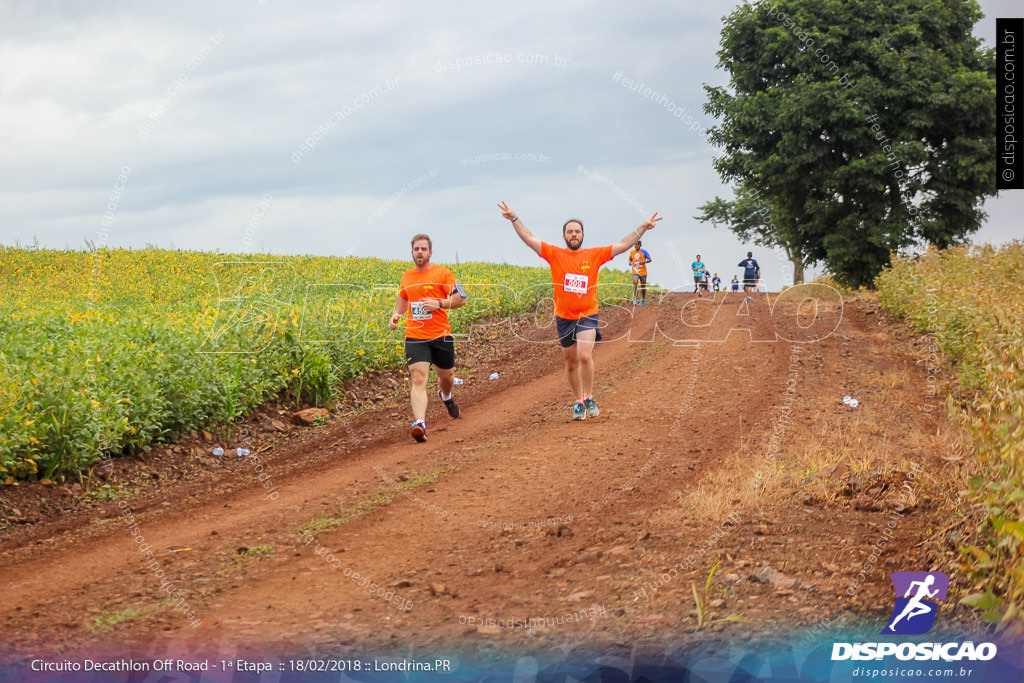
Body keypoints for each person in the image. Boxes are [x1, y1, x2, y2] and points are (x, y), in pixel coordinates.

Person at [497, 201, 661, 420]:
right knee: (571, 361)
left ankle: (590, 396)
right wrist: (514, 218)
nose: (574, 234)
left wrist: (643, 227)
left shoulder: (594, 255)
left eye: (577, 231)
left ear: (583, 235)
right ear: (564, 236)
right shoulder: (554, 254)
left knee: (584, 356)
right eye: (570, 232)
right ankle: (578, 401)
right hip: (564, 317)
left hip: (588, 314)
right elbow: (529, 239)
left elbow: (622, 245)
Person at [388, 234, 468, 442]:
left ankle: (446, 396)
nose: (420, 252)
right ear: (412, 252)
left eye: (424, 249)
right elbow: (404, 296)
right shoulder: (407, 276)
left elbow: (461, 299)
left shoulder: (443, 274)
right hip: (415, 335)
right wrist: (396, 314)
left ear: (430, 253)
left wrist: (439, 304)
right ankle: (420, 424)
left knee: (447, 377)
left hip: (441, 335)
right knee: (419, 378)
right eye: (416, 249)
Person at [629, 240, 652, 306]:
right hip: (635, 271)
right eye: (635, 244)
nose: (636, 246)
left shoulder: (644, 252)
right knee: (635, 282)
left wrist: (644, 261)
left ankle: (643, 299)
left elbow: (650, 259)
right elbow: (630, 259)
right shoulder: (632, 252)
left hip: (643, 272)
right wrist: (630, 263)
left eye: (637, 244)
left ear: (640, 245)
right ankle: (636, 299)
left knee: (643, 287)